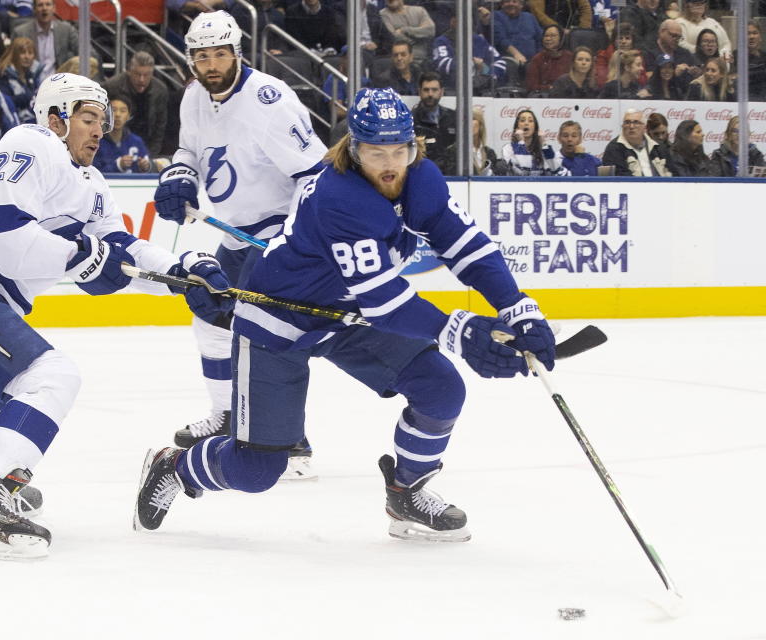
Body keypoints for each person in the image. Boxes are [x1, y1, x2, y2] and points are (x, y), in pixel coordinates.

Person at [133, 88, 557, 541]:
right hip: (279, 319)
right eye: (376, 152)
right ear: (354, 149)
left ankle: (406, 492)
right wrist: (458, 330)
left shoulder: (422, 177)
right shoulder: (339, 195)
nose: (390, 163)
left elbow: (466, 245)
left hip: (348, 316)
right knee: (257, 469)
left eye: (400, 149)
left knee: (440, 388)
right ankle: (176, 467)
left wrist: (518, 305)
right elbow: (382, 297)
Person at [0, 73, 233, 560]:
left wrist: (182, 274)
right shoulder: (31, 143)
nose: (100, 131)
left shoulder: (90, 182)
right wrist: (81, 256)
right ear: (55, 119)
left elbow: (119, 250)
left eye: (104, 121)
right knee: (51, 377)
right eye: (89, 118)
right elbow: (4, 238)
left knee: (10, 405)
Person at [152, 11, 327, 479]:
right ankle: (229, 415)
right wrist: (179, 176)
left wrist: (298, 242)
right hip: (237, 229)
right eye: (202, 57)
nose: (211, 65)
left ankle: (291, 440)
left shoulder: (270, 101)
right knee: (209, 316)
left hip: (280, 231)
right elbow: (189, 150)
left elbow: (316, 174)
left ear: (237, 52)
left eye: (219, 55)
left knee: (268, 336)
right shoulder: (193, 97)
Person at [103, 51, 167, 157]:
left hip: (147, 141)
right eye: (137, 74)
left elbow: (159, 128)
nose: (141, 80)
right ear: (129, 71)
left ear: (152, 74)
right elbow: (103, 122)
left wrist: (150, 157)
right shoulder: (111, 87)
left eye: (146, 75)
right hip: (115, 144)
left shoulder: (160, 90)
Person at [430, 10, 506, 95]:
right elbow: (442, 64)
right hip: (453, 91)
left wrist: (485, 70)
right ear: (452, 22)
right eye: (459, 20)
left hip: (481, 90)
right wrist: (470, 63)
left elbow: (500, 63)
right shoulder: (442, 41)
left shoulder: (479, 40)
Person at [11, 0, 77, 77]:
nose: (44, 8)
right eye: (40, 5)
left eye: (48, 4)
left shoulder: (66, 29)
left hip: (59, 81)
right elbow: (11, 61)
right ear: (34, 9)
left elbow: (86, 53)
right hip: (31, 82)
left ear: (54, 8)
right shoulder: (20, 32)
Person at [601, 107, 674, 176]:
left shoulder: (658, 147)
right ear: (622, 126)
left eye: (636, 122)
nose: (631, 126)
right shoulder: (614, 148)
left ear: (644, 127)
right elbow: (620, 179)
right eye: (627, 122)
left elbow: (674, 174)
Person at [410, 71, 455, 174]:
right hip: (422, 173)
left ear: (441, 92)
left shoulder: (453, 117)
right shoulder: (410, 119)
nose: (430, 94)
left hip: (453, 176)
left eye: (434, 90)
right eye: (426, 90)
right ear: (419, 92)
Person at [502, 108, 569, 176]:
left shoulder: (543, 149)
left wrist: (544, 145)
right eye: (522, 120)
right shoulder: (508, 148)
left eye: (530, 121)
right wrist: (521, 142)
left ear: (535, 128)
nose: (526, 123)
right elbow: (525, 171)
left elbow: (557, 170)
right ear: (517, 127)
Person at [94, 96, 150, 174]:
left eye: (123, 111)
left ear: (129, 116)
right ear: (105, 114)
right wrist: (118, 165)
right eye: (113, 110)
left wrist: (145, 167)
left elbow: (147, 167)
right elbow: (91, 172)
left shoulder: (137, 141)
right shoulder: (96, 140)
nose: (118, 115)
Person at [444, 106, 506, 176]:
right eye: (464, 120)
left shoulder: (489, 153)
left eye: (472, 119)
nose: (468, 123)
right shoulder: (453, 151)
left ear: (480, 124)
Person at [644, 19, 699, 94]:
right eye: (673, 36)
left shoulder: (685, 53)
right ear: (662, 32)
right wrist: (674, 74)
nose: (676, 40)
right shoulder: (648, 52)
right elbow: (649, 80)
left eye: (679, 37)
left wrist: (696, 73)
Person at [0, 36, 43, 124]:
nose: (27, 57)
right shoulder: (4, 76)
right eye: (22, 53)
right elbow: (4, 102)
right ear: (14, 55)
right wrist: (28, 97)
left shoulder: (35, 74)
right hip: (14, 122)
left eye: (30, 53)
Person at [493, 0, 544, 70]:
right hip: (511, 60)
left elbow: (540, 38)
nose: (511, 4)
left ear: (521, 5)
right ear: (502, 5)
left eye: (514, 1)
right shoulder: (496, 16)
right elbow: (501, 40)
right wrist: (516, 54)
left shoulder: (529, 17)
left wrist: (539, 57)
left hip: (534, 59)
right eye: (507, 1)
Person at [525, 24, 573, 95]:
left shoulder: (570, 57)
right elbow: (531, 86)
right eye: (546, 36)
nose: (548, 39)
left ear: (561, 38)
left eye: (553, 36)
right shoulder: (537, 59)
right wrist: (549, 88)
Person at [737, 21, 766, 99]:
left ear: (760, 37)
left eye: (755, 33)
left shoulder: (764, 57)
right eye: (748, 33)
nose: (751, 37)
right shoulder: (735, 56)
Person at [527, 0, 592, 30]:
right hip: (547, 30)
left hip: (574, 30)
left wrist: (583, 30)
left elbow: (585, 8)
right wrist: (559, 30)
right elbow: (538, 13)